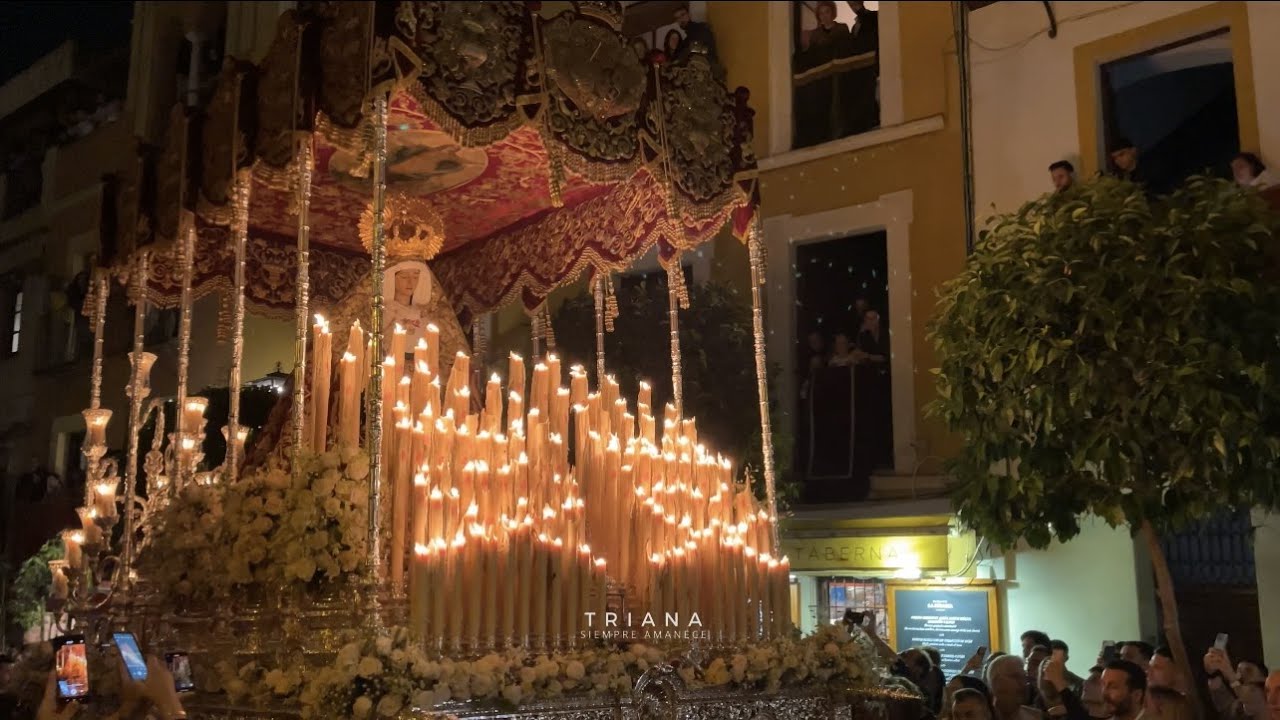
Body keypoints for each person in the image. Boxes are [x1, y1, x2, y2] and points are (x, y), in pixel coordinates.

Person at [1205, 646, 1269, 720]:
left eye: (1248, 671)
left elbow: (1250, 694)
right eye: (1239, 673)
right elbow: (1219, 693)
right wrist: (1212, 672)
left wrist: (1227, 670)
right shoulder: (1236, 709)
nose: (1241, 677)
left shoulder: (1272, 703)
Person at [672, 4, 719, 69]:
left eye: (682, 15)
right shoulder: (686, 40)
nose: (681, 19)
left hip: (706, 72)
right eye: (677, 18)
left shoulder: (701, 28)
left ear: (689, 15)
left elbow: (701, 50)